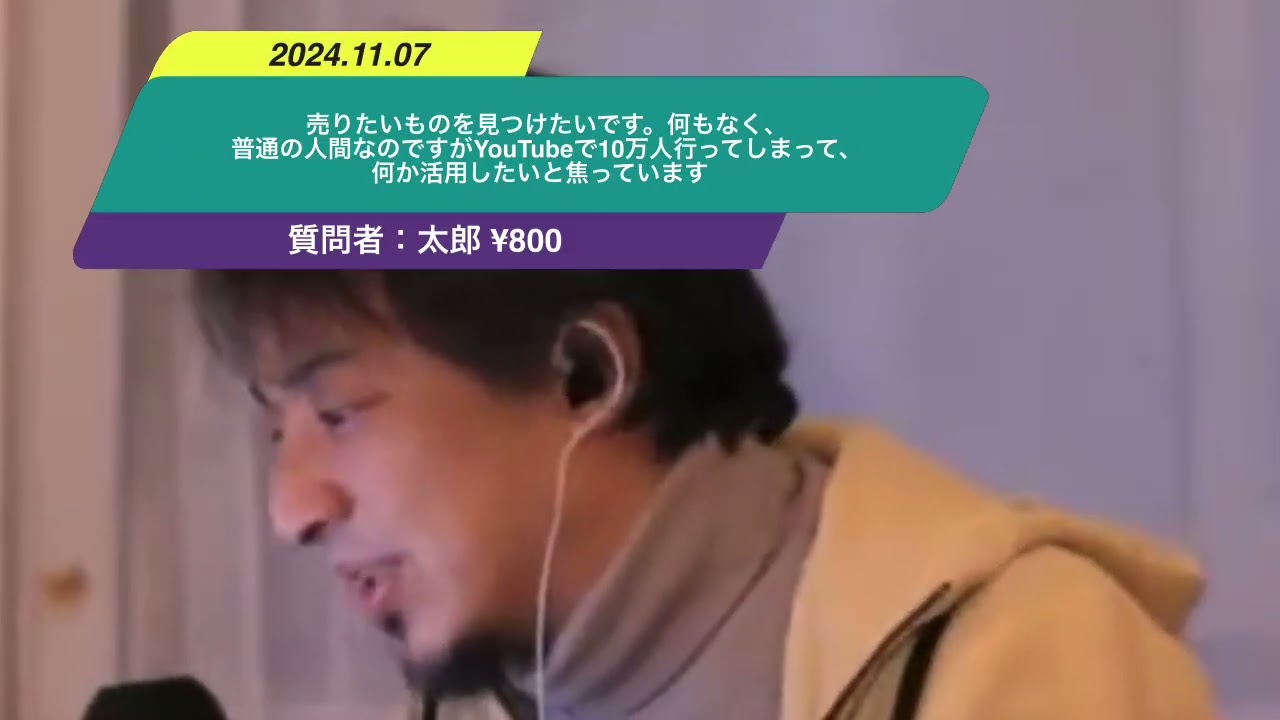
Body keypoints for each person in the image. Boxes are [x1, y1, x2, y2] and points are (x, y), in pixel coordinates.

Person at [191, 270, 1219, 720]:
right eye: (277, 432)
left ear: (587, 373)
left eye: (339, 414)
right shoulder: (477, 696)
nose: (292, 511)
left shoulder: (1029, 666)